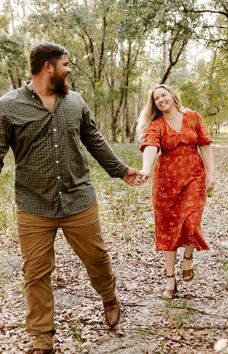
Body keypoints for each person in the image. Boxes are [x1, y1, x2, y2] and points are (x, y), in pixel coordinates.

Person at [0, 42, 143, 354]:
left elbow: (94, 140)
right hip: (33, 206)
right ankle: (42, 340)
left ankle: (109, 295)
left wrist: (121, 170)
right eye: (65, 64)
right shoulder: (8, 106)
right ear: (48, 67)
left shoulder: (75, 102)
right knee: (35, 273)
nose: (69, 69)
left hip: (79, 200)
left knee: (97, 259)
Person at [137, 84, 215, 299]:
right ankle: (170, 278)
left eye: (164, 95)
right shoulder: (157, 125)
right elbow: (150, 145)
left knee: (191, 222)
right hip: (166, 184)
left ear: (172, 95)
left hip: (194, 177)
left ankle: (188, 258)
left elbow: (205, 145)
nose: (161, 99)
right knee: (168, 230)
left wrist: (212, 173)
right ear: (155, 105)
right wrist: (145, 168)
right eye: (157, 98)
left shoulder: (193, 117)